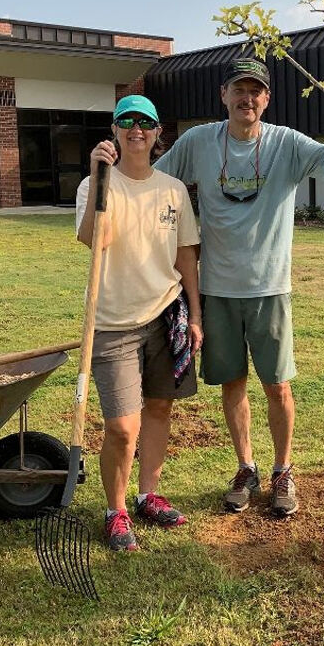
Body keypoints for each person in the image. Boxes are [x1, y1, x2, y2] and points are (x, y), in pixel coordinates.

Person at [155, 57, 324, 517]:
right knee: (232, 383)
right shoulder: (199, 141)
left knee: (277, 387)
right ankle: (246, 466)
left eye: (256, 91)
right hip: (218, 291)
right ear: (223, 95)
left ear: (267, 99)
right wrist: (108, 179)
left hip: (270, 290)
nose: (247, 99)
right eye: (238, 90)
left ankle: (283, 470)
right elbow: (158, 182)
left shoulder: (285, 143)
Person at [79, 95, 203, 552]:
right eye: (127, 121)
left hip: (166, 314)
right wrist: (98, 180)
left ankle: (147, 493)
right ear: (114, 130)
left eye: (146, 122)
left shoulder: (172, 189)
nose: (137, 129)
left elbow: (186, 254)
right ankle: (115, 512)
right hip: (112, 324)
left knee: (159, 409)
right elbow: (95, 239)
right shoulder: (95, 184)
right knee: (121, 427)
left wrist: (196, 314)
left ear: (157, 134)